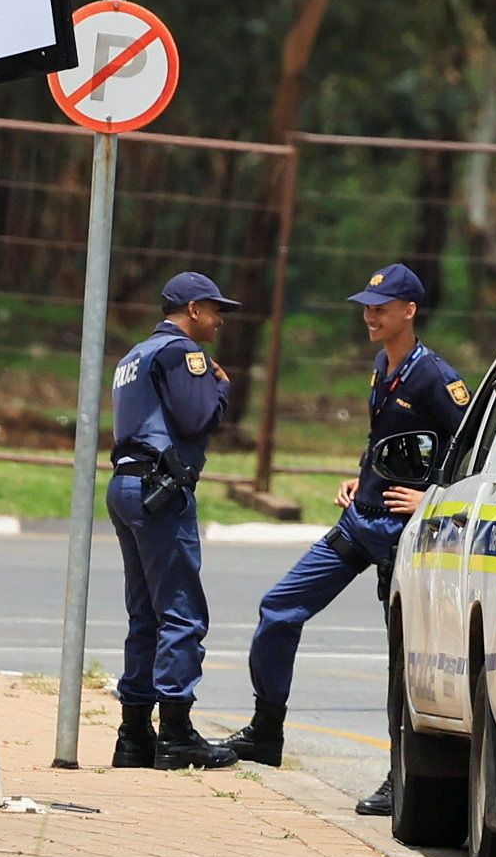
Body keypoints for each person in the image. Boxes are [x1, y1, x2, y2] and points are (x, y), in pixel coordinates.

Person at [224, 263, 468, 815]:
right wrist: (367, 474)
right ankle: (266, 730)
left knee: (404, 658)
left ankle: (401, 776)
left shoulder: (437, 377)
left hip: (401, 534)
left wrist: (430, 500)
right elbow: (383, 437)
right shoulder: (382, 365)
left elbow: (470, 451)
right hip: (360, 521)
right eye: (366, 306)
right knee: (279, 609)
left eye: (381, 308)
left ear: (410, 311)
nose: (369, 315)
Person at [107, 271, 244, 771]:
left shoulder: (133, 355)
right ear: (192, 310)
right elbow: (195, 420)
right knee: (182, 614)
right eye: (215, 310)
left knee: (144, 614)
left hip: (126, 484)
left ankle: (134, 735)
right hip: (160, 492)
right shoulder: (184, 355)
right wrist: (220, 388)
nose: (219, 320)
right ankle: (177, 734)